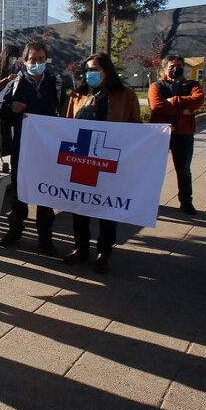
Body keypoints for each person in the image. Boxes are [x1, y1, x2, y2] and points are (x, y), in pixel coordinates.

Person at [62, 53, 141, 274]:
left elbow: (136, 126)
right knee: (79, 205)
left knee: (107, 207)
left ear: (107, 70)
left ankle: (104, 252)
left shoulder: (125, 95)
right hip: (82, 160)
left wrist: (157, 135)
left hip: (108, 160)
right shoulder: (78, 95)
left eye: (95, 69)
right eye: (87, 69)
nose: (90, 74)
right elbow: (67, 126)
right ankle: (80, 247)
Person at [0, 42, 62, 256]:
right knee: (19, 191)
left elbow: (66, 114)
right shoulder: (16, 83)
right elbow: (1, 112)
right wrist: (11, 108)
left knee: (45, 193)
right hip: (22, 147)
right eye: (33, 59)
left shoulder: (56, 83)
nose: (37, 63)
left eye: (41, 59)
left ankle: (45, 239)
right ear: (25, 62)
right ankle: (15, 231)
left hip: (47, 149)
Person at [148, 55, 205, 215]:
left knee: (184, 170)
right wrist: (183, 110)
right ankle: (149, 199)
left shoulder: (192, 85)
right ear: (165, 68)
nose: (175, 68)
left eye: (179, 65)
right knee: (154, 169)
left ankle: (186, 202)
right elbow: (157, 106)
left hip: (183, 134)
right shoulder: (157, 85)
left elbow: (197, 100)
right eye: (172, 65)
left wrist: (172, 100)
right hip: (161, 133)